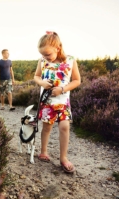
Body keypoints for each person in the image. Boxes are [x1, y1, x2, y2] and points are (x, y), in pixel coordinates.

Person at [33, 31, 81, 173]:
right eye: (42, 55)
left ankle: (63, 158)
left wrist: (63, 89)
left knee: (64, 127)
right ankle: (43, 151)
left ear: (58, 48)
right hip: (47, 101)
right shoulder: (42, 61)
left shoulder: (70, 60)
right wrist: (42, 82)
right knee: (47, 127)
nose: (45, 58)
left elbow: (77, 80)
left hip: (63, 101)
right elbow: (36, 76)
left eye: (47, 54)